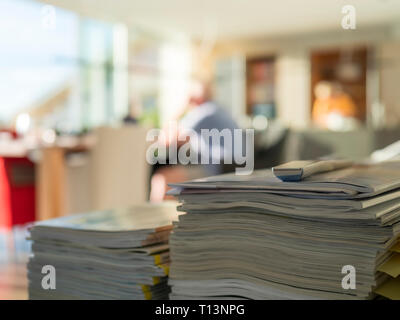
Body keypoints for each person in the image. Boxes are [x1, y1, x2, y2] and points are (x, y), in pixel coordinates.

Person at [150, 78, 241, 202]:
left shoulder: (203, 112)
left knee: (163, 178)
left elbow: (166, 139)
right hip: (233, 168)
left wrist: (181, 108)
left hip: (217, 171)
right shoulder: (219, 110)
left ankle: (159, 220)